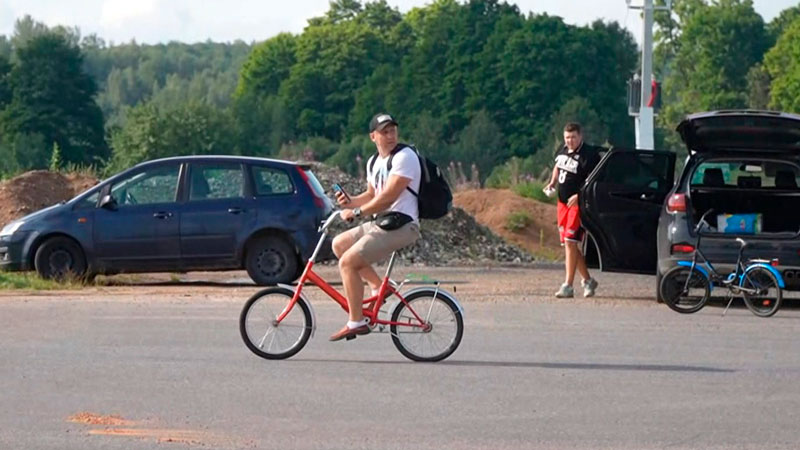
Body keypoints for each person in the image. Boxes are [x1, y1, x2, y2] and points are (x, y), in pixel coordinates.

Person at [330, 113, 422, 341]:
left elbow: (388, 198)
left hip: (403, 224)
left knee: (348, 263)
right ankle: (380, 286)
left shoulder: (405, 157)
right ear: (373, 136)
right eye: (384, 132)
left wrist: (358, 212)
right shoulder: (374, 162)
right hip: (383, 222)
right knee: (339, 244)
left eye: (393, 130)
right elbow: (372, 195)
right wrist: (349, 202)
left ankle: (356, 321)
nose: (390, 136)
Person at [544, 122, 602, 298]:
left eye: (573, 137)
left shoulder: (589, 155)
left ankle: (568, 285)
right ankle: (588, 280)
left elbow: (594, 179)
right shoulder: (564, 150)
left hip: (577, 205)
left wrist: (580, 196)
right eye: (567, 138)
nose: (570, 141)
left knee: (571, 242)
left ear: (580, 136)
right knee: (569, 245)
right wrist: (553, 182)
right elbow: (558, 165)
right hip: (562, 204)